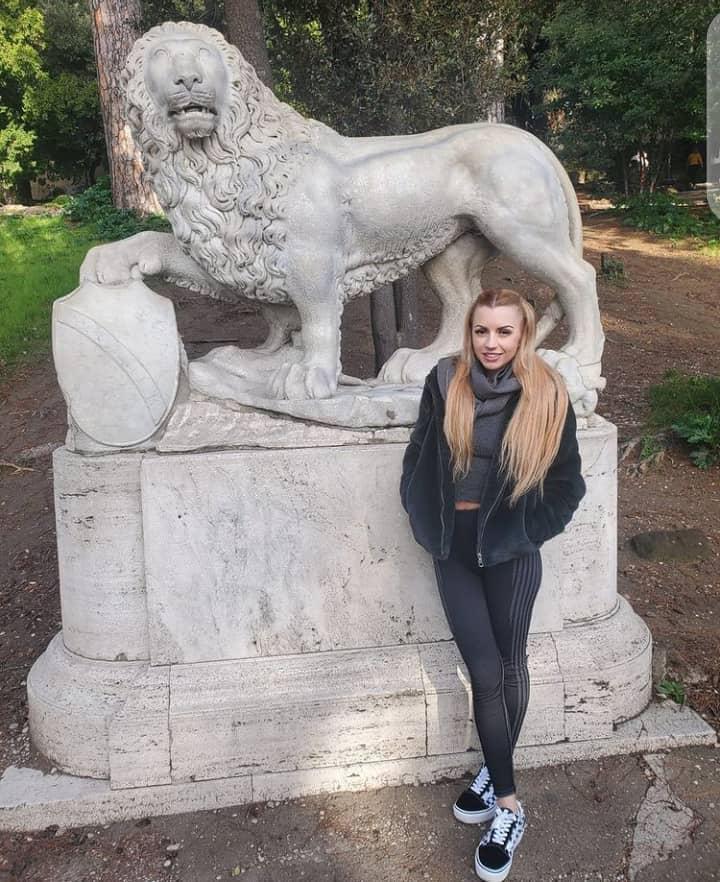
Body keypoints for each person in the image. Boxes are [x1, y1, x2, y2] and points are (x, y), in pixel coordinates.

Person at [400, 287, 586, 881]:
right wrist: (422, 515)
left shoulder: (547, 392)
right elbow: (418, 455)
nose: (492, 343)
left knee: (508, 666)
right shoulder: (445, 380)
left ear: (522, 334)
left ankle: (505, 803)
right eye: (482, 331)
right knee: (483, 671)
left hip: (510, 550)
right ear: (470, 332)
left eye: (504, 331)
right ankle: (501, 778)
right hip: (453, 548)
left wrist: (525, 531)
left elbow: (568, 484)